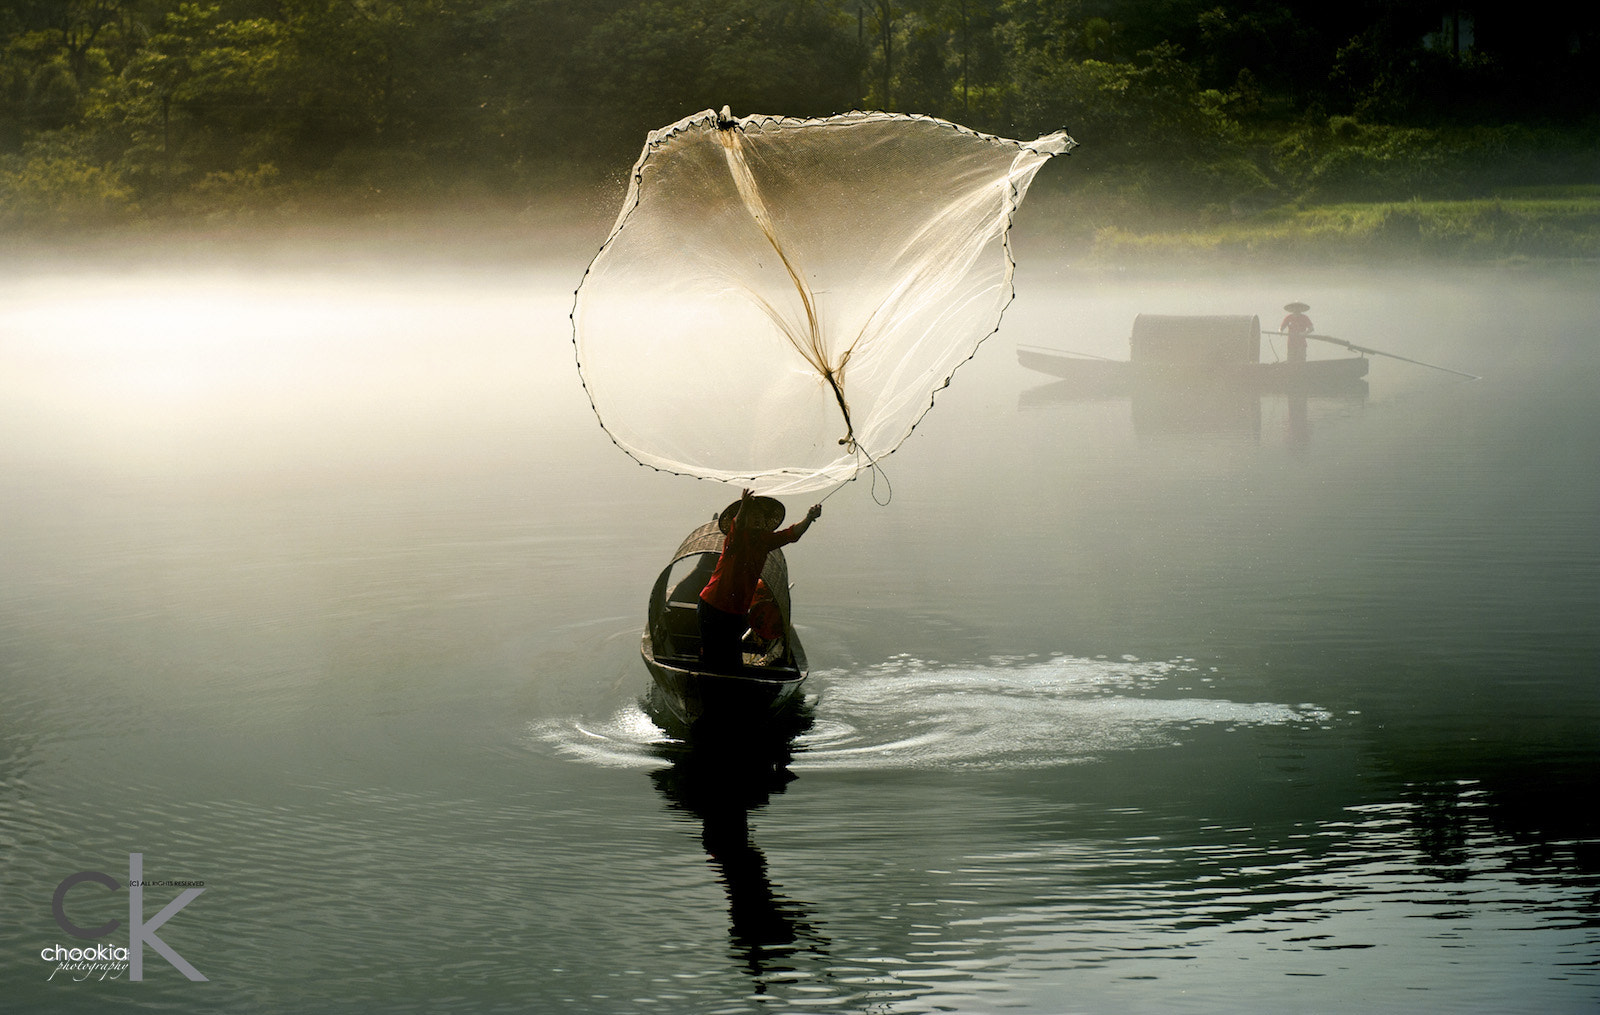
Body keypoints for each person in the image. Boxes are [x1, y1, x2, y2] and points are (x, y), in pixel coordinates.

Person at [698, 489, 821, 672]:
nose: (756, 518)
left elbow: (791, 534)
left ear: (764, 522)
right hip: (713, 606)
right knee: (711, 659)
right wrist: (744, 506)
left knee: (732, 662)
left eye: (759, 516)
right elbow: (737, 525)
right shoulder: (736, 539)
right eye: (751, 515)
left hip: (737, 612)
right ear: (745, 518)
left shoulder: (765, 541)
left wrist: (809, 518)